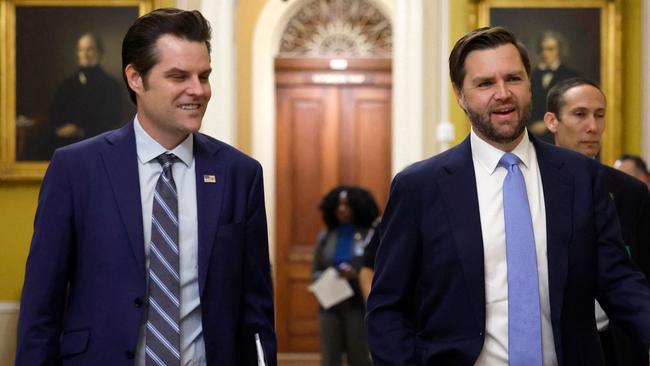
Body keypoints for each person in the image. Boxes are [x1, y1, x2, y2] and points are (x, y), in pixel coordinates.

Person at [365, 26, 650, 365]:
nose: (503, 93)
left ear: (529, 83)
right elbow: (387, 308)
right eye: (485, 83)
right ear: (459, 93)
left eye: (513, 78)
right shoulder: (419, 187)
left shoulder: (580, 176)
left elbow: (619, 282)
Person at [16, 8, 276, 366]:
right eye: (178, 76)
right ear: (136, 78)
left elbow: (256, 308)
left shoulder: (239, 174)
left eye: (204, 75)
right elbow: (41, 305)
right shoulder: (76, 169)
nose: (197, 90)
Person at [544, 77, 650, 365]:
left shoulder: (631, 192)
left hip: (618, 345)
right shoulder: (533, 186)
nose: (592, 126)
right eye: (580, 115)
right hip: (553, 346)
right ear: (553, 121)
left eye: (599, 115)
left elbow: (639, 273)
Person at [312, 186, 378, 366]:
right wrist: (329, 275)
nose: (342, 209)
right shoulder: (326, 236)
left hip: (357, 304)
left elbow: (374, 270)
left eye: (347, 205)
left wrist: (355, 275)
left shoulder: (369, 235)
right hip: (330, 305)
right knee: (330, 357)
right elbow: (314, 272)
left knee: (359, 356)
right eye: (339, 205)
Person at [529, 31, 579, 144]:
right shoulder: (531, 75)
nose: (545, 53)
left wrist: (547, 124)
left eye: (550, 49)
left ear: (559, 51)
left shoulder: (571, 76)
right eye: (542, 49)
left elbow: (573, 109)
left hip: (560, 138)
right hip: (533, 138)